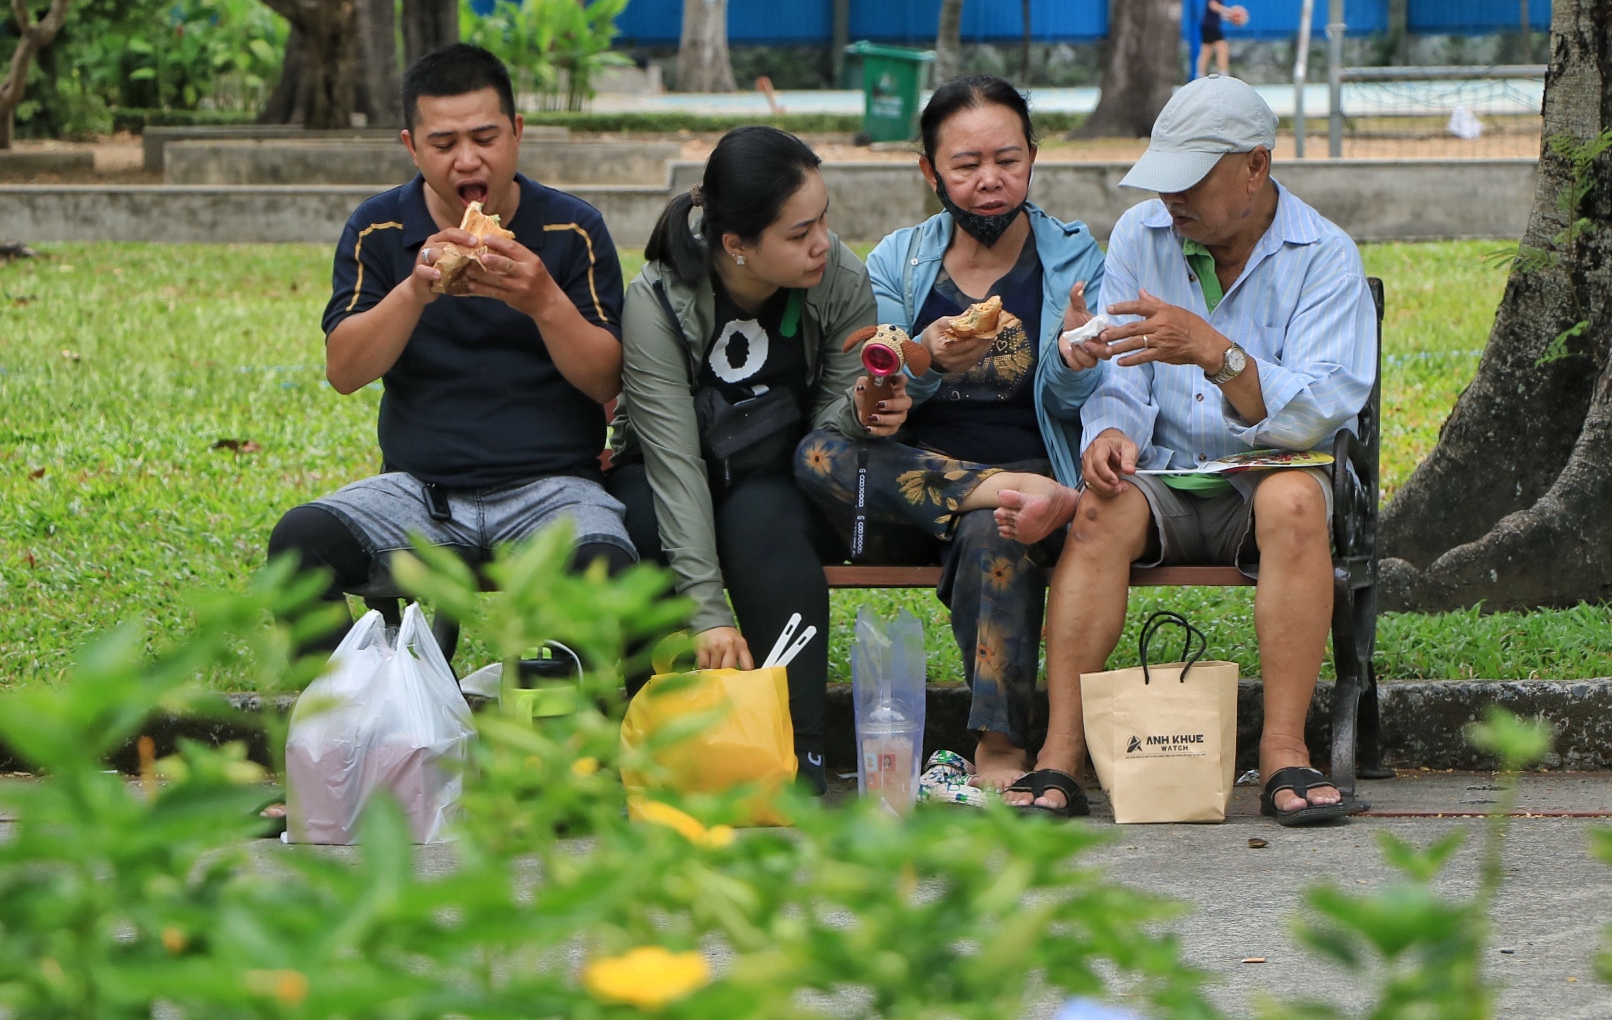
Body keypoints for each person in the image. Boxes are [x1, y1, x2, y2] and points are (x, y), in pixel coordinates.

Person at [1003, 74, 1377, 824]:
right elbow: (1120, 369)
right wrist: (1111, 431)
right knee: (1099, 510)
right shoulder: (1140, 235)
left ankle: (1284, 750)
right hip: (1165, 473)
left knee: (1296, 502)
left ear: (1256, 166)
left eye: (1192, 179)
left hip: (1270, 472)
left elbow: (1322, 407)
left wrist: (1218, 355)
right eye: (1164, 177)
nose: (1171, 197)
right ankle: (1061, 752)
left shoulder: (1323, 255)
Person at [266, 43, 633, 659]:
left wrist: (544, 300)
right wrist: (414, 290)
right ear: (412, 147)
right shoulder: (378, 229)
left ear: (517, 133)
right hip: (420, 491)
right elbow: (345, 371)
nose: (468, 159)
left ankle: (562, 709)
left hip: (555, 489)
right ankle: (355, 707)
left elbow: (605, 381)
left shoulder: (572, 229)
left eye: (486, 138)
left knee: (604, 560)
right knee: (299, 541)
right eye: (443, 144)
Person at [793, 76, 1106, 790]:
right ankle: (990, 488)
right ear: (930, 172)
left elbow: (1079, 402)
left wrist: (1070, 357)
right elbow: (874, 382)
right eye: (966, 165)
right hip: (913, 489)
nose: (990, 181)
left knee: (1000, 523)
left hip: (1033, 491)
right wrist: (921, 364)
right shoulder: (898, 261)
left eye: (1008, 160)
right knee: (815, 454)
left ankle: (999, 744)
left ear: (1032, 159)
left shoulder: (1074, 260)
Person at [606, 127, 882, 797]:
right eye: (799, 233)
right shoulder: (658, 300)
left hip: (778, 471)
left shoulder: (839, 278)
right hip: (672, 468)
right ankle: (666, 748)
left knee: (765, 526)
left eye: (823, 221)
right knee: (638, 525)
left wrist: (865, 404)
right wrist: (707, 611)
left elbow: (826, 437)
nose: (822, 243)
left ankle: (796, 751)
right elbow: (672, 462)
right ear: (736, 244)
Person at [1198, 0, 1233, 77]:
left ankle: (1199, 74)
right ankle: (1223, 73)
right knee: (1223, 48)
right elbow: (1212, 5)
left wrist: (1229, 16)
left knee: (1206, 51)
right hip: (1211, 26)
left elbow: (1215, 11)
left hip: (1207, 25)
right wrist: (1228, 11)